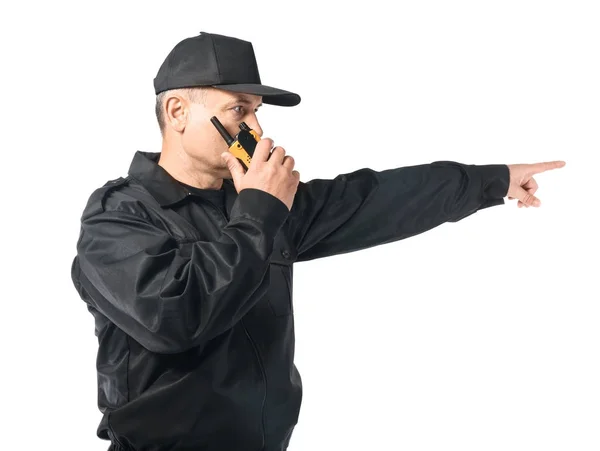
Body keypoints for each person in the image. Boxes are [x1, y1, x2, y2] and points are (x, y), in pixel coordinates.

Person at [70, 31, 565, 451]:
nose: (257, 129)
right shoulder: (119, 216)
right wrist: (260, 211)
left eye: (258, 112)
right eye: (239, 110)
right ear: (177, 112)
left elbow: (376, 200)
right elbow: (177, 317)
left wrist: (493, 181)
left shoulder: (253, 203)